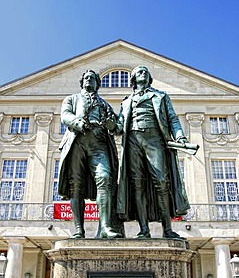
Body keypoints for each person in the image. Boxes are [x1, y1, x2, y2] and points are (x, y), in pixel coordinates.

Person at [116, 65, 190, 239]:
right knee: (137, 185)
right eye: (139, 72)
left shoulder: (160, 96)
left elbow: (172, 118)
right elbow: (119, 127)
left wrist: (180, 137)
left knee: (162, 181)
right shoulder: (126, 101)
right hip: (133, 141)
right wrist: (110, 123)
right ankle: (144, 229)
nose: (143, 73)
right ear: (133, 79)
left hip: (154, 139)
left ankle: (167, 228)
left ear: (149, 78)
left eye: (145, 72)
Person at [58, 69, 123, 239]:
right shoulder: (72, 99)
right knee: (76, 186)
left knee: (105, 178)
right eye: (86, 78)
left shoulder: (104, 105)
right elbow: (65, 115)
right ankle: (79, 229)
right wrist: (77, 122)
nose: (89, 80)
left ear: (97, 84)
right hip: (77, 142)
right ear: (82, 82)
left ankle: (105, 227)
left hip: (98, 144)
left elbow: (118, 127)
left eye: (92, 79)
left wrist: (112, 125)